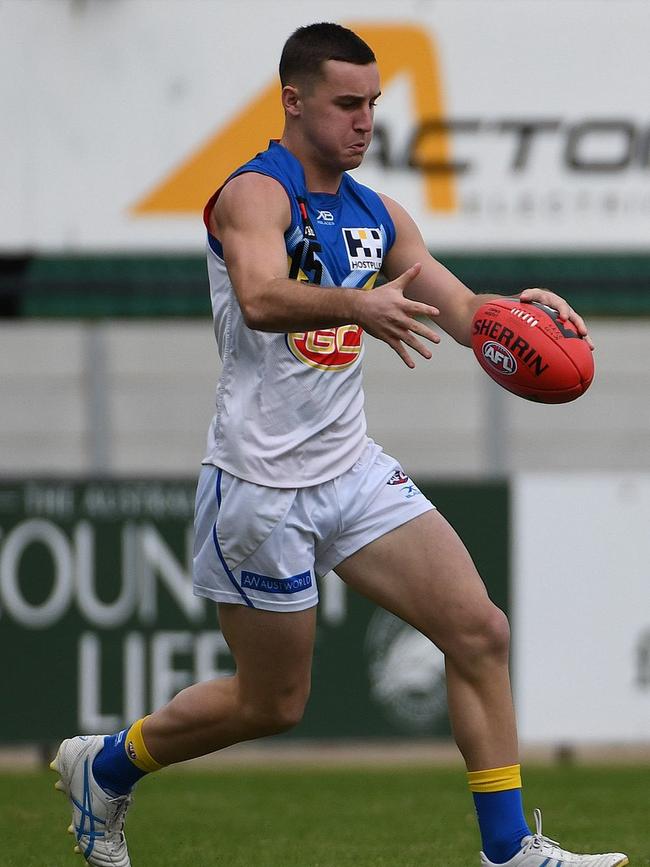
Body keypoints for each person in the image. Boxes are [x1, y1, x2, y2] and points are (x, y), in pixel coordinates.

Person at [51, 22, 628, 867]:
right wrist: (360, 307)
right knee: (272, 703)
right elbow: (257, 295)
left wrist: (527, 315)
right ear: (293, 100)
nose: (365, 122)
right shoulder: (257, 193)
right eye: (346, 104)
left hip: (351, 472)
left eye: (373, 105)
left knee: (479, 631)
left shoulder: (376, 213)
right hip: (259, 486)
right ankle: (106, 765)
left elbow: (463, 315)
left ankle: (508, 851)